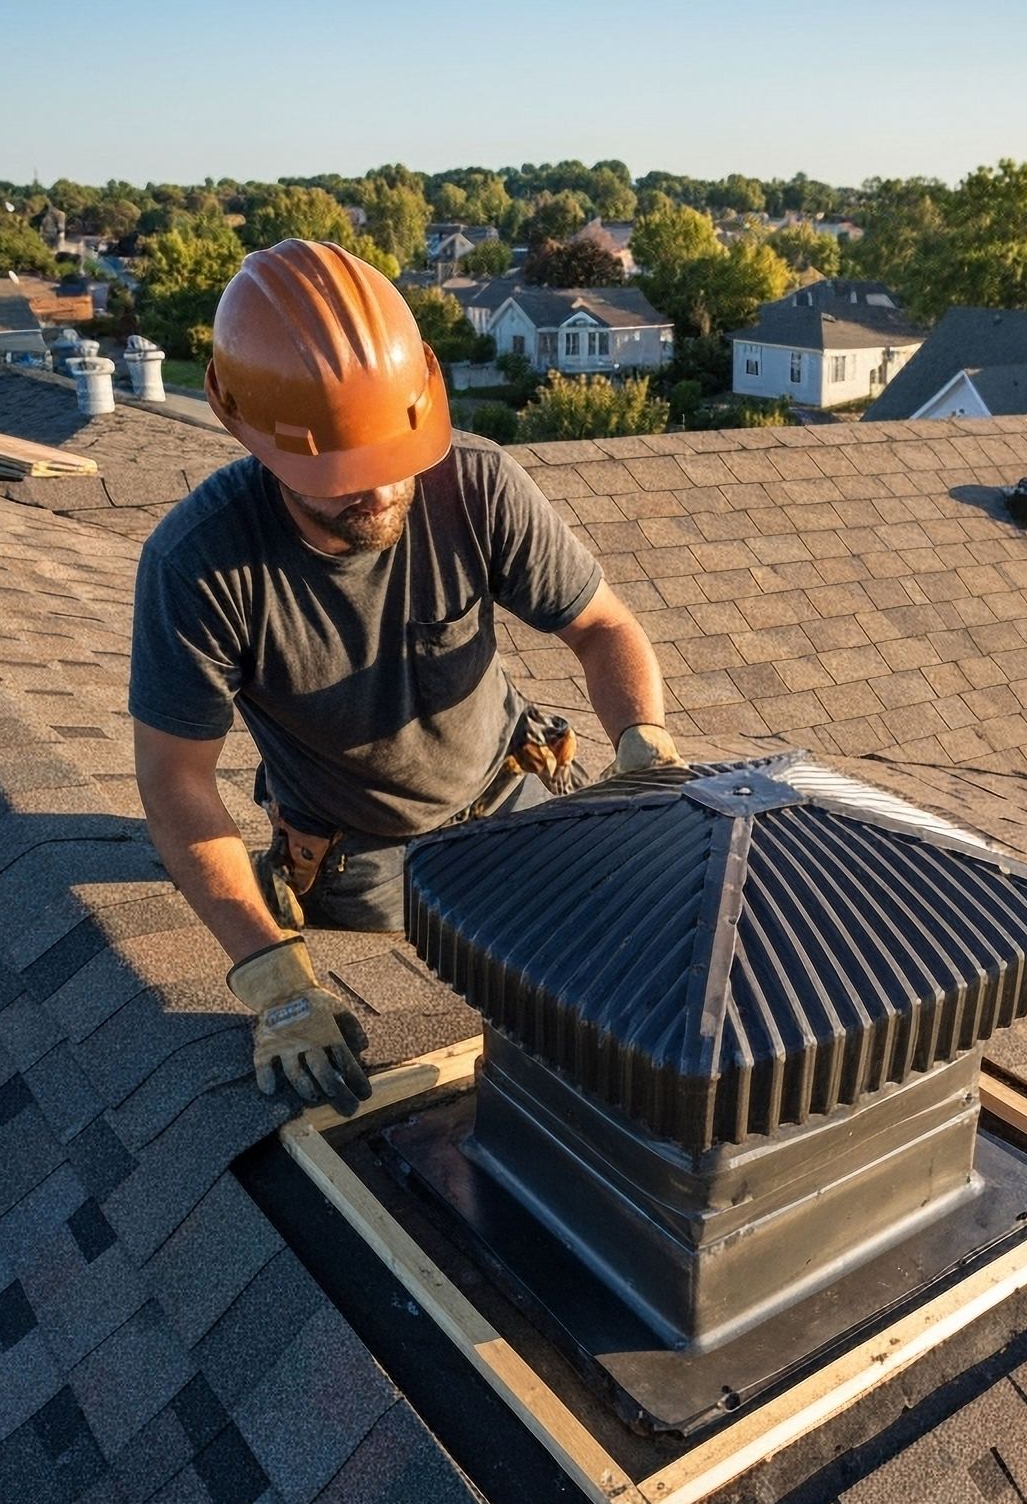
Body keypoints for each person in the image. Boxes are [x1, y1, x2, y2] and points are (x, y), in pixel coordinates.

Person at [128, 239, 679, 1113]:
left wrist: (646, 746)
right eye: (343, 480)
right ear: (248, 433)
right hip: (361, 858)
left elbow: (604, 628)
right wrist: (270, 975)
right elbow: (175, 779)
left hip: (515, 796)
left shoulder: (475, 487)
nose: (382, 494)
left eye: (397, 461)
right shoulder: (201, 567)